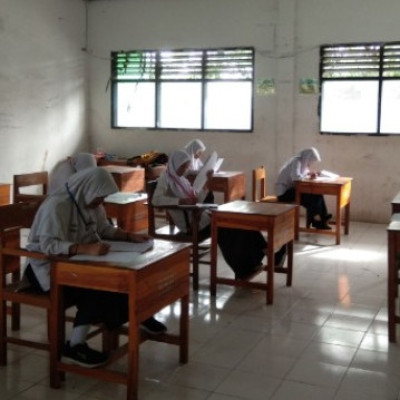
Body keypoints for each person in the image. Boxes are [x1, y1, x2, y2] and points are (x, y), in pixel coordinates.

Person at [24, 167, 166, 368]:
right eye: (100, 197)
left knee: (121, 281)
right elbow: (49, 246)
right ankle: (75, 346)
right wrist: (83, 248)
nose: (101, 202)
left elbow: (104, 229)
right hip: (46, 270)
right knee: (97, 287)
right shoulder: (57, 206)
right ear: (88, 189)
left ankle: (138, 314)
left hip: (79, 263)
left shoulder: (91, 202)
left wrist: (128, 236)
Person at [152, 150, 286, 280]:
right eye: (183, 167)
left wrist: (208, 182)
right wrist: (180, 201)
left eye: (186, 166)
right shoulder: (166, 179)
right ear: (176, 164)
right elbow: (155, 200)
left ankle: (258, 259)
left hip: (200, 215)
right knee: (226, 228)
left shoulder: (181, 180)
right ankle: (246, 267)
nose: (185, 170)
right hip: (191, 224)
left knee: (240, 220)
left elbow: (196, 198)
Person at [275, 147, 332, 229]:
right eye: (311, 160)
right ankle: (318, 220)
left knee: (318, 194)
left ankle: (322, 218)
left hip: (292, 190)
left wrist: (309, 174)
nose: (310, 163)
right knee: (313, 198)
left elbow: (302, 174)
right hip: (284, 193)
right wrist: (307, 177)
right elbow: (296, 178)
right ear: (307, 157)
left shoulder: (302, 162)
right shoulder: (296, 162)